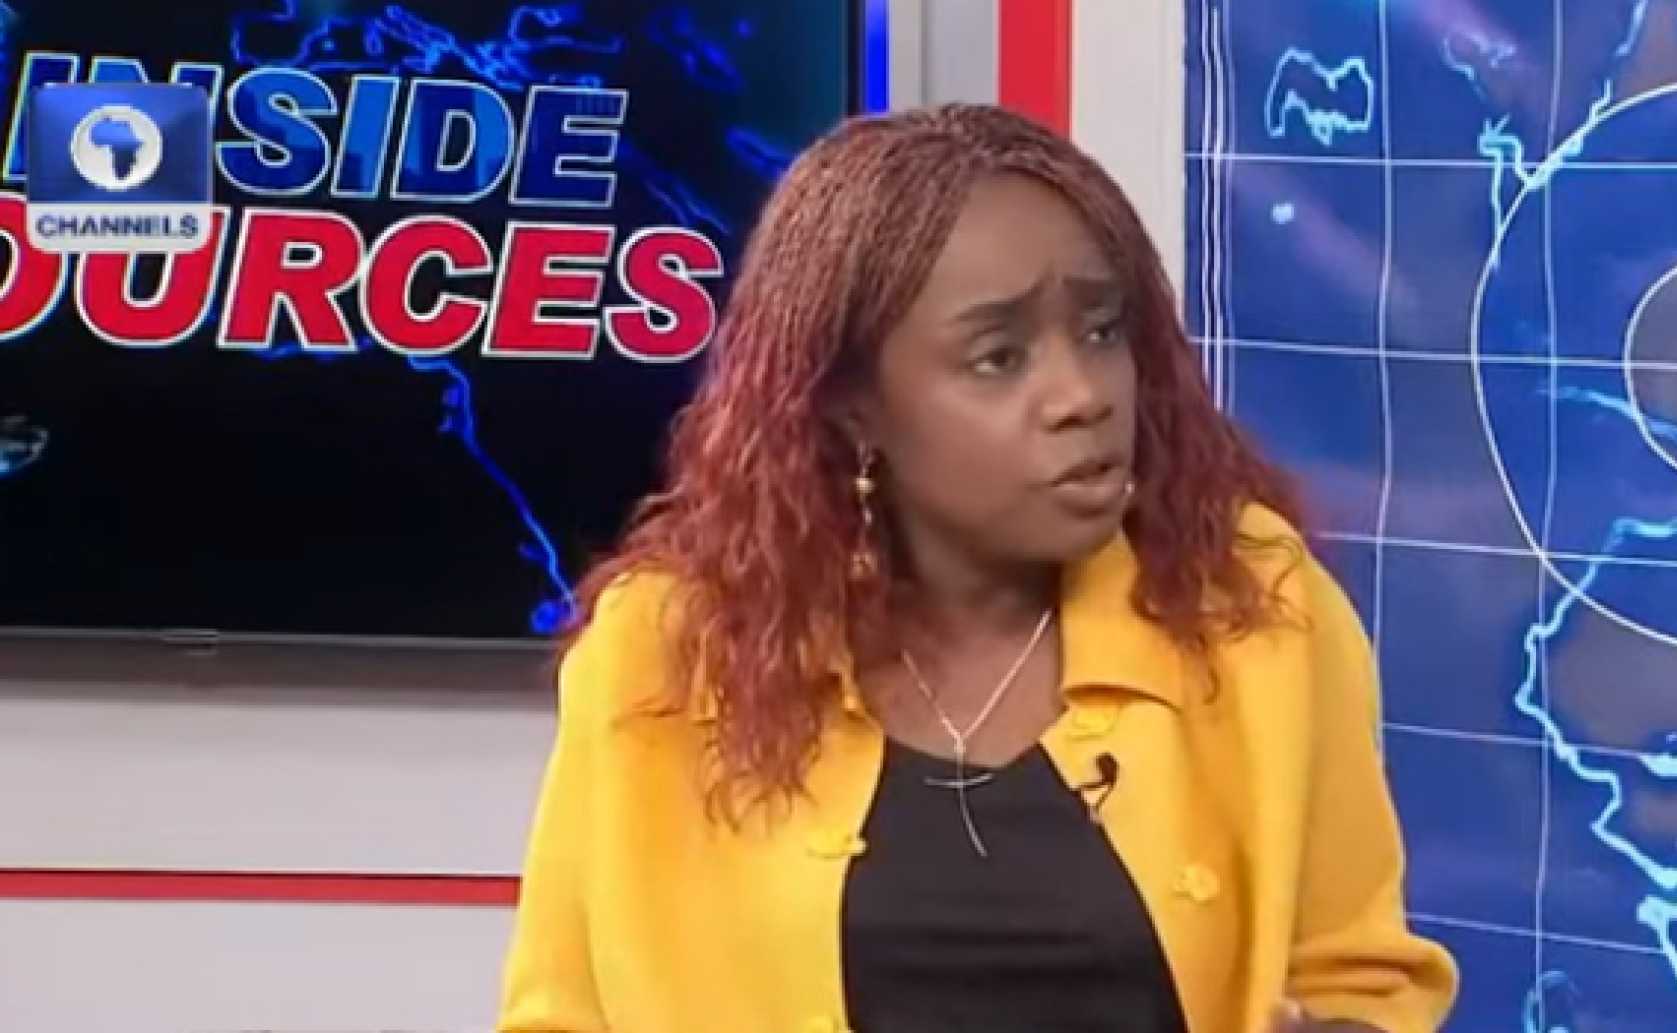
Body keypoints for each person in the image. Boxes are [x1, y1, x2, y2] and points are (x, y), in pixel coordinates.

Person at [495, 103, 1458, 1033]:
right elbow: (561, 1017)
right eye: (999, 357)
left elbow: (1362, 977)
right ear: (853, 406)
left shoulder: (1255, 609)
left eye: (1101, 332)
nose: (1081, 395)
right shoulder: (663, 654)